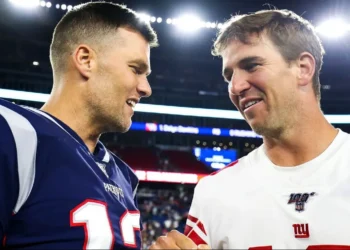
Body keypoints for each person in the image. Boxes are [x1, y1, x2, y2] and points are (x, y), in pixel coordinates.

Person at [150, 9, 350, 249]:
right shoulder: (214, 192)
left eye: (252, 65)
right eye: (229, 76)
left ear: (303, 68)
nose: (236, 86)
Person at [0, 1, 158, 249]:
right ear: (85, 60)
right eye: (136, 69)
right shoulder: (11, 132)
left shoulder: (124, 176)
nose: (145, 88)